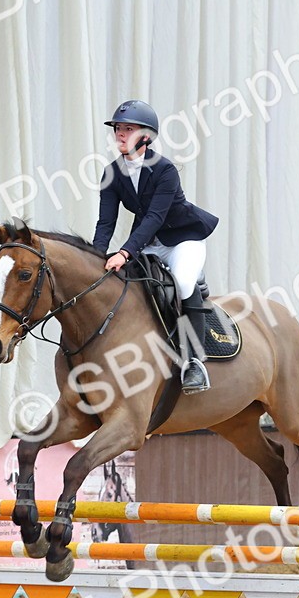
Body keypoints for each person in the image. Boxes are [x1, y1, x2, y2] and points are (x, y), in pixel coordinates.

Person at [92, 100, 219, 394]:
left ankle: (195, 362)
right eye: (118, 130)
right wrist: (96, 257)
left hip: (182, 239)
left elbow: (154, 218)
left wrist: (124, 252)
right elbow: (105, 223)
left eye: (129, 129)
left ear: (146, 137)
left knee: (184, 283)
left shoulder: (165, 170)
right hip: (149, 243)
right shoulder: (112, 172)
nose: (120, 135)